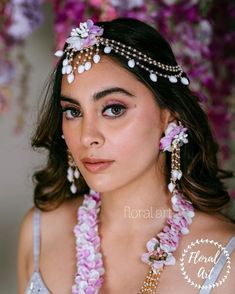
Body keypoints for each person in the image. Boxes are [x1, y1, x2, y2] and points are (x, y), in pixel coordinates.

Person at [17, 18, 235, 294]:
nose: (87, 136)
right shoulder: (39, 234)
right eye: (73, 111)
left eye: (114, 109)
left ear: (168, 117)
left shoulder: (225, 261)